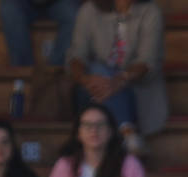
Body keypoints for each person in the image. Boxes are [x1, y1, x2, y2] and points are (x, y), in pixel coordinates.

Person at [66, 0, 167, 154]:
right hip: (93, 89)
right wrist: (86, 79)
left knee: (100, 72)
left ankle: (123, 133)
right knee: (97, 69)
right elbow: (77, 55)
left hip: (135, 90)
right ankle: (127, 132)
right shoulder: (89, 10)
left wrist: (119, 80)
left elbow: (147, 61)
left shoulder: (150, 11)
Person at [0, 0, 78, 68]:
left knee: (73, 15)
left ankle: (55, 70)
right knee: (8, 9)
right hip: (24, 3)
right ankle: (23, 72)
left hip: (60, 2)